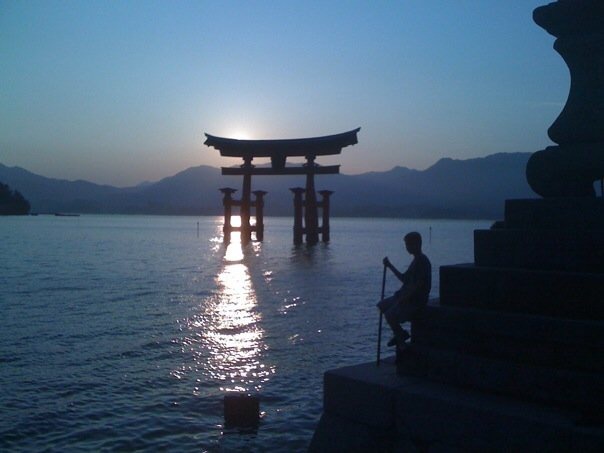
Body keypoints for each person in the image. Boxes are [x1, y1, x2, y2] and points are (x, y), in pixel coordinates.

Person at [377, 231, 431, 351]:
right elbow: (404, 279)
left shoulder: (422, 261)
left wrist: (403, 299)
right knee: (381, 305)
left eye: (409, 244)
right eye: (406, 245)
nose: (407, 248)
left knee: (389, 315)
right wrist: (390, 266)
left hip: (414, 300)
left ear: (417, 244)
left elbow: (418, 285)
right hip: (404, 296)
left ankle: (401, 341)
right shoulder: (415, 261)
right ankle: (400, 333)